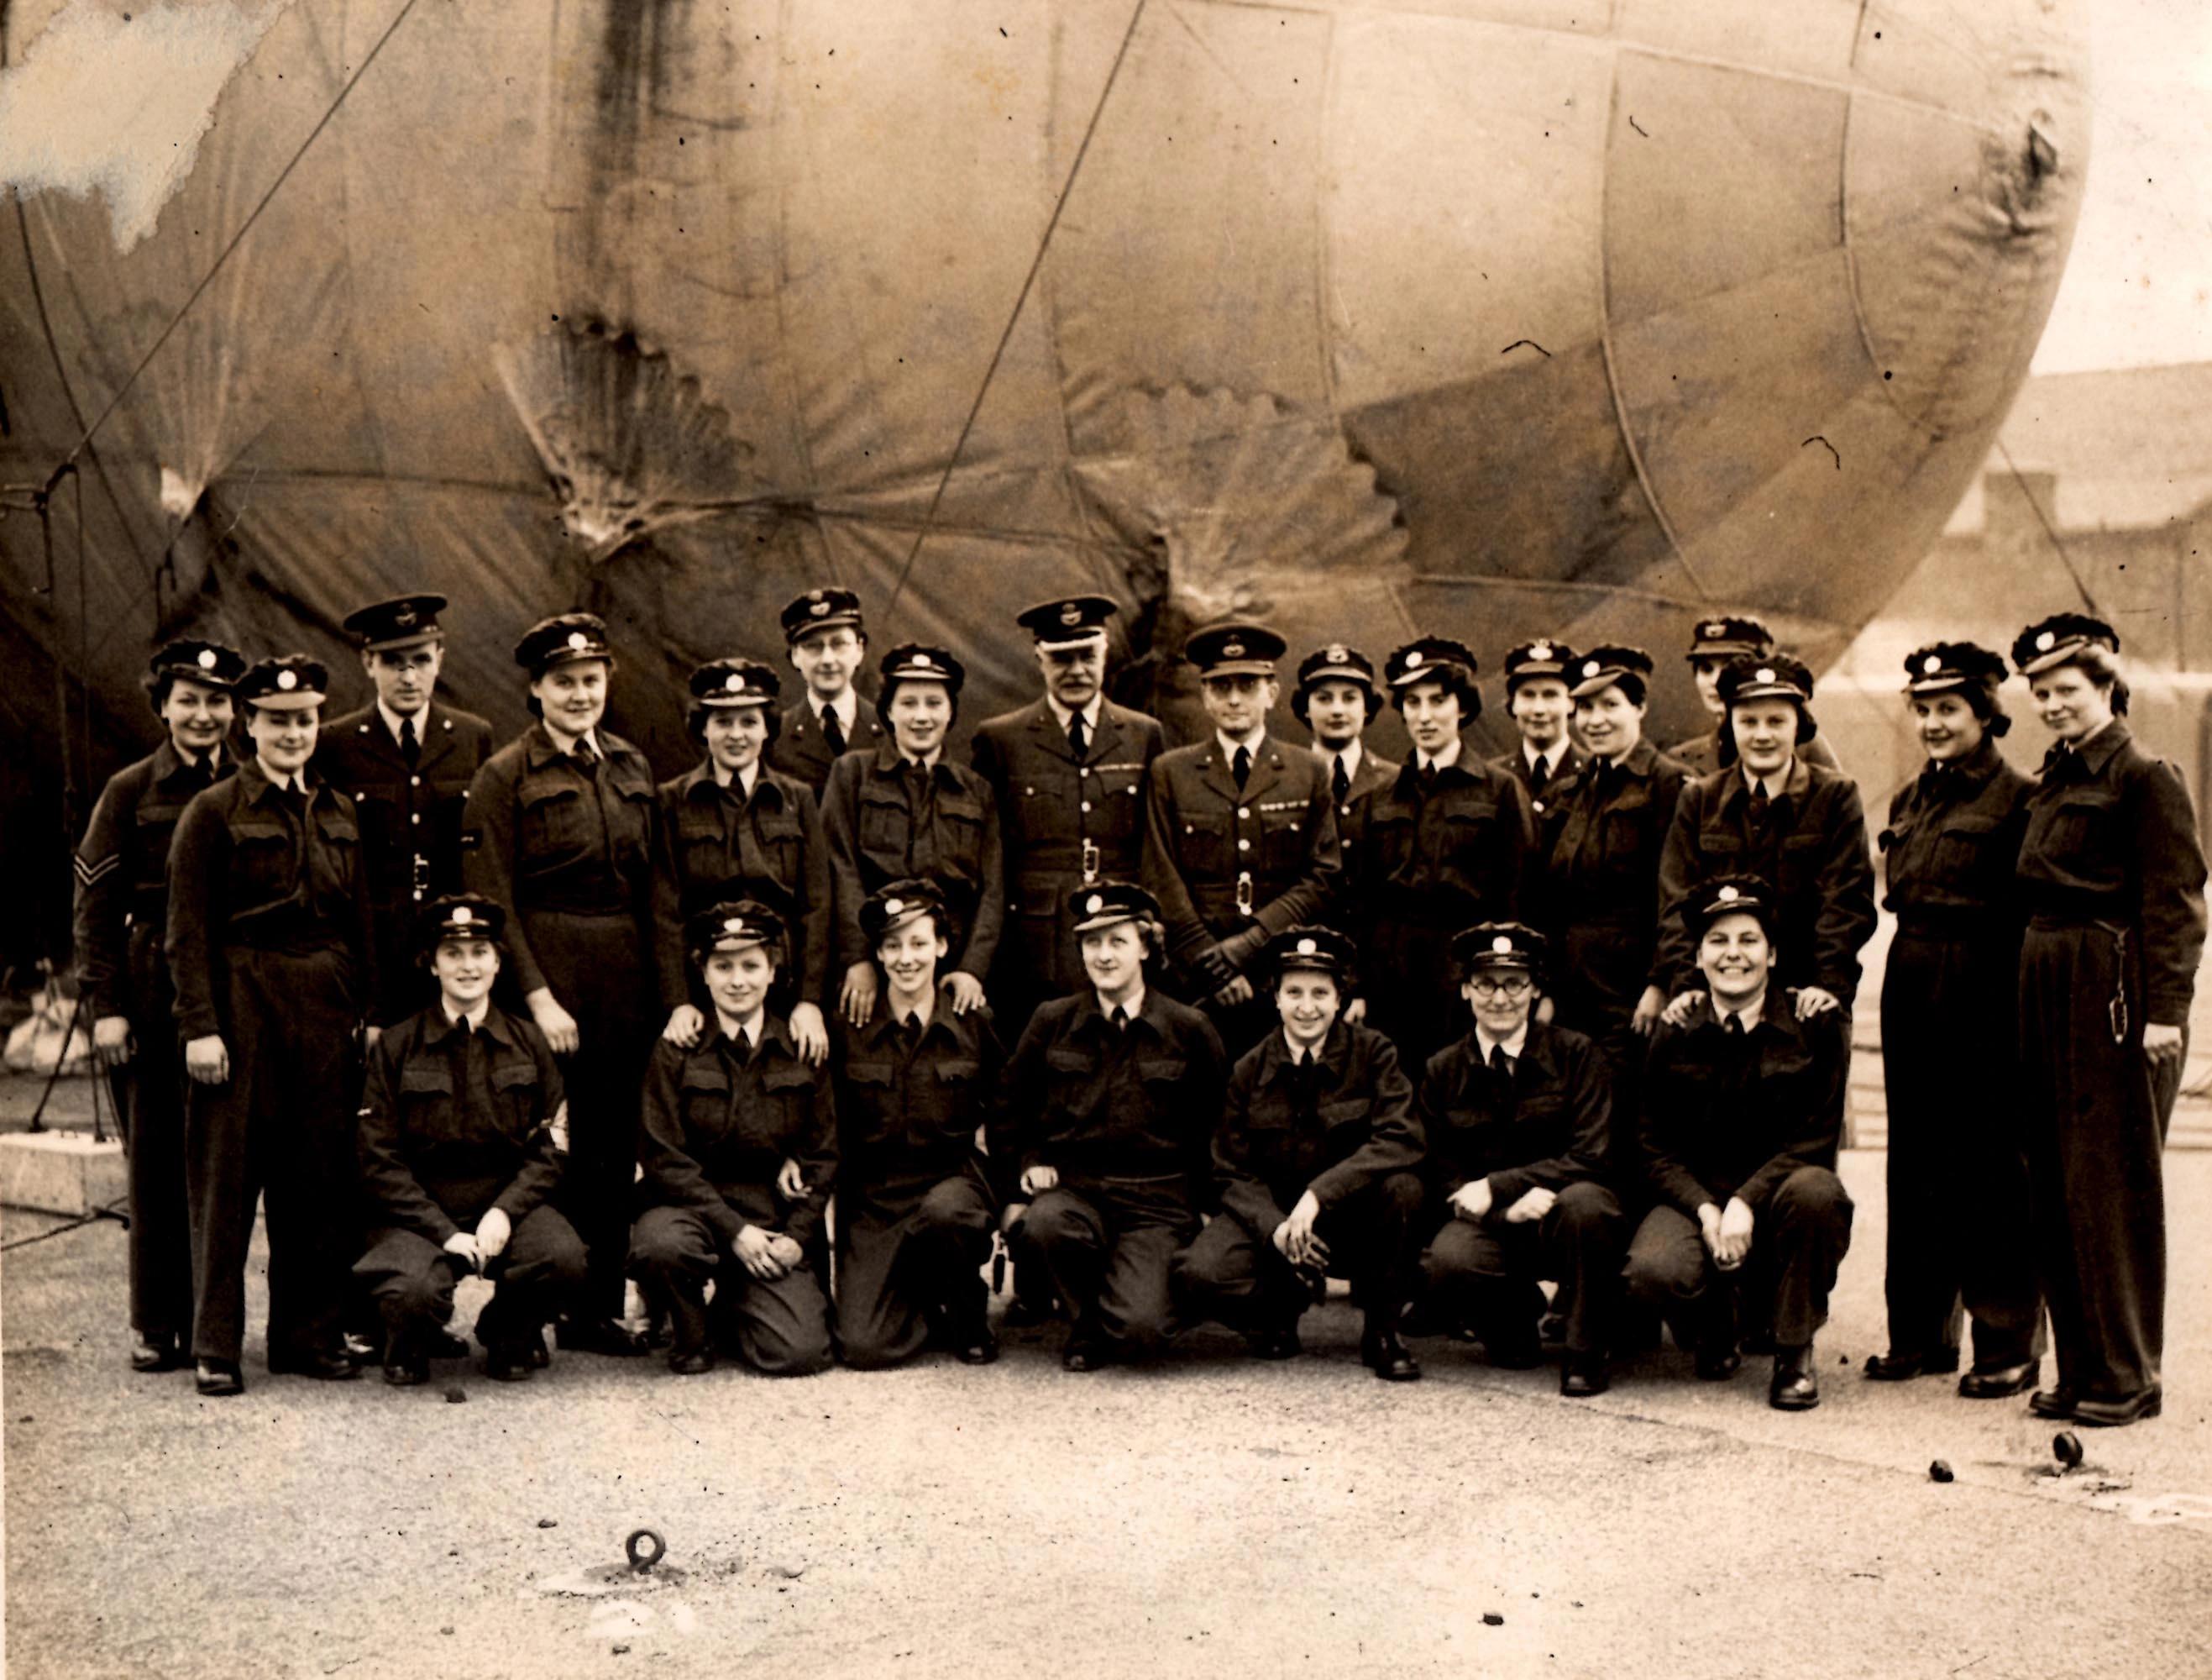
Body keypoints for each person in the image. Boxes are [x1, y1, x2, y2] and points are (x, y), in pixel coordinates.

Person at [2010, 614, 2206, 1427]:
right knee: (2054, 1179)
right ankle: (2078, 1363)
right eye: (2043, 694)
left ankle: (2128, 1372)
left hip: (2108, 981)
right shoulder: (2055, 774)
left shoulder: (2144, 774)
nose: (2054, 705)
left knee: (2110, 1185)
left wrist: (2166, 1015)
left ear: (2105, 690)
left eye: (2068, 691)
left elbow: (2177, 906)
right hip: (2046, 972)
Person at [167, 655, 377, 1395]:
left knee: (316, 1178)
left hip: (324, 1004)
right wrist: (200, 1024)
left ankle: (305, 1335)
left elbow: (361, 925)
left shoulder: (339, 811)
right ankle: (216, 1345)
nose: (293, 733)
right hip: (242, 999)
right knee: (228, 1180)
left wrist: (369, 1017)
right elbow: (185, 930)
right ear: (248, 726)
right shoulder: (213, 811)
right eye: (278, 721)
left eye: (306, 720)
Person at [463, 612, 657, 1358]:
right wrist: (538, 996)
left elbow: (653, 892)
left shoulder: (632, 767)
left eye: (591, 680)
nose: (580, 694)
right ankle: (528, 1311)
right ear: (537, 689)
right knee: (550, 1147)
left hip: (624, 977)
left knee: (611, 1148)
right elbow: (493, 899)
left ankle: (596, 1309)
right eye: (564, 682)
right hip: (548, 969)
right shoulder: (506, 775)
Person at [1868, 642, 2043, 1398]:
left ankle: (2006, 1340)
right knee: (1914, 1161)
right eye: (1925, 710)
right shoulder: (1911, 800)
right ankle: (1920, 1333)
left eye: (1950, 709)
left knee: (1989, 1166)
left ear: (1986, 714)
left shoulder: (2019, 798)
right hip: (1910, 976)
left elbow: (2026, 910)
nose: (1935, 723)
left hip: (1982, 981)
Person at [73, 638, 244, 1373]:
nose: (203, 716)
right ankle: (156, 1322)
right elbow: (94, 908)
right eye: (188, 701)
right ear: (162, 707)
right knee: (155, 1161)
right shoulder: (130, 790)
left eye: (216, 702)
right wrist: (106, 1007)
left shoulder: (253, 782)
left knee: (219, 1161)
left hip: (230, 984)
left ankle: (215, 1326)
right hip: (150, 989)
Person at [1626, 876, 1853, 1410]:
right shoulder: (1675, 1028)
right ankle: (1714, 1327)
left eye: (1749, 941)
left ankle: (1794, 1350)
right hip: (1699, 1198)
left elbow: (1816, 1137)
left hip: (1777, 1198)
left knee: (1818, 1196)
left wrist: (1745, 1204)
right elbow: (1653, 1145)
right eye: (1719, 942)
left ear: (1773, 955)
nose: (1734, 955)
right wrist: (1706, 1209)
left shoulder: (1812, 1025)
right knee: (1650, 1269)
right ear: (1700, 957)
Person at [1172, 926, 1425, 1379]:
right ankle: (1277, 1310)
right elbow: (1228, 1170)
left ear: (1339, 998)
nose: (1307, 1007)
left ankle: (1383, 1331)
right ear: (1275, 997)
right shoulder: (1249, 1068)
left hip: (1349, 1217)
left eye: (1319, 993)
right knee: (1200, 1274)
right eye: (1294, 992)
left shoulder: (1374, 1053)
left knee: (1403, 1190)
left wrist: (1319, 1196)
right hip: (1277, 1222)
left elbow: (1400, 1137)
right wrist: (1275, 1227)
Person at [354, 895, 588, 1385]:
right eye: (453, 954)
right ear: (432, 965)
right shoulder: (397, 1046)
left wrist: (505, 1211)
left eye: (480, 952)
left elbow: (553, 1147)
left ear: (499, 962)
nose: (468, 966)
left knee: (562, 1259)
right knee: (413, 1290)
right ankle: (406, 1340)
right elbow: (378, 1159)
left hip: (503, 1198)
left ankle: (509, 1332)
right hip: (419, 1208)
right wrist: (443, 1231)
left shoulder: (530, 1042)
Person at [1002, 881, 1229, 1370]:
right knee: (1040, 1224)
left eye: (1117, 941)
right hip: (1076, 1193)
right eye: (1091, 943)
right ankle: (1085, 1325)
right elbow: (1011, 1108)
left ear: (1145, 947)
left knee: (1141, 1331)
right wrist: (1028, 1164)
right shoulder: (1052, 1021)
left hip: (1157, 1204)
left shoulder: (1189, 1028)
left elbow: (1217, 1125)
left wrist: (1208, 1206)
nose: (1103, 956)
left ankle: (1136, 1298)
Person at [1413, 923, 1624, 1396]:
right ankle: (1511, 1320)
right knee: (1448, 1258)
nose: (1501, 998)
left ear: (1535, 989)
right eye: (1486, 983)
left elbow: (1593, 1153)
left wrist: (1503, 1185)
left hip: (1561, 1215)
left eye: (1515, 984)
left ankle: (1585, 1349)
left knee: (1589, 1206)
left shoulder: (1577, 1054)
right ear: (1466, 989)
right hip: (1494, 1224)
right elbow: (1438, 1167)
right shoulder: (1443, 1069)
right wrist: (1505, 1208)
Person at [630, 900, 837, 1376]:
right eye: (723, 966)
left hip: (769, 1216)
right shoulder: (677, 1048)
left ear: (772, 971)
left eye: (750, 965)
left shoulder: (801, 1048)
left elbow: (824, 1154)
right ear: (702, 972)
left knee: (799, 1354)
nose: (737, 980)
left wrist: (798, 1239)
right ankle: (689, 1329)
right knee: (659, 1245)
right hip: (693, 1210)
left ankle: (733, 1306)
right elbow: (662, 1157)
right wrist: (734, 1231)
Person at [971, 594, 1166, 1040]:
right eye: (1061, 658)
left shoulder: (1143, 735)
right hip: (1035, 939)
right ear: (1039, 659)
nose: (1075, 670)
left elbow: (1155, 844)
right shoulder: (1002, 739)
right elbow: (991, 851)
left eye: (1086, 656)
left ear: (1105, 654)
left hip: (1121, 929)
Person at [1142, 623, 1342, 1053]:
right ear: (1205, 695)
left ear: (1271, 692)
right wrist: (1211, 963)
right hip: (1197, 979)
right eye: (1221, 686)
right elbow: (1162, 875)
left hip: (1281, 974)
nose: (1234, 699)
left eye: (1247, 685)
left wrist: (1248, 947)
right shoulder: (1171, 772)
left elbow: (1323, 876)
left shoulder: (1307, 771)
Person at [831, 880, 1004, 1368]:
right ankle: (925, 1305)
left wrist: (1010, 1196)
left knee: (948, 1215)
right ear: (878, 955)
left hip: (951, 1181)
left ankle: (967, 1310)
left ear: (943, 947)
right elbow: (830, 1126)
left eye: (919, 943)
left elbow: (1007, 1112)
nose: (906, 958)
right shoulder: (849, 1026)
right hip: (878, 1197)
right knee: (864, 1347)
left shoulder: (972, 1019)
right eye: (892, 946)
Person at [1652, 653, 1876, 1026]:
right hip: (1716, 999)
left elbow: (1847, 899)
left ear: (1799, 726)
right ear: (1730, 725)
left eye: (1776, 721)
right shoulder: (1699, 799)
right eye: (1748, 721)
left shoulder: (1835, 796)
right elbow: (1677, 901)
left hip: (1805, 1000)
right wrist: (1687, 984)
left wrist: (1828, 986)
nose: (1762, 735)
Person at [1534, 646, 1690, 1170]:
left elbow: (1676, 893)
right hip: (1575, 985)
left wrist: (1662, 981)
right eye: (1585, 710)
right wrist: (1548, 986)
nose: (1595, 721)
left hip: (1630, 988)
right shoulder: (1572, 790)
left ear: (1640, 708)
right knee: (1571, 1116)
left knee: (1626, 1120)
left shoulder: (1669, 785)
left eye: (1611, 706)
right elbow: (1552, 901)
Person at [1353, 638, 1533, 1069]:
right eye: (1412, 702)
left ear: (1463, 707)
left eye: (1438, 700)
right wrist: (1359, 985)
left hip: (1465, 970)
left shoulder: (1499, 789)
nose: (1425, 715)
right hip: (1391, 973)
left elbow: (1518, 890)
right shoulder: (1378, 797)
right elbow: (1362, 899)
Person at [317, 592, 494, 1026]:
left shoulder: (473, 737)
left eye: (421, 659)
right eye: (394, 661)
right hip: (372, 943)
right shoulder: (334, 744)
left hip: (452, 942)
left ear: (440, 660)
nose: (409, 675)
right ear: (368, 664)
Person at [653, 658, 831, 1064]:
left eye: (748, 722)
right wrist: (678, 1002)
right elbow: (664, 910)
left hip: (780, 981)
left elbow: (817, 905)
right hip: (707, 985)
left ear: (767, 728)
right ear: (703, 729)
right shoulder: (673, 800)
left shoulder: (796, 798)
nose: (736, 735)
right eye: (723, 723)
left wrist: (809, 1000)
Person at [822, 643, 1004, 1029]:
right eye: (908, 703)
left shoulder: (975, 791)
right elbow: (839, 868)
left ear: (951, 711)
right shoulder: (852, 774)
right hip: (875, 967)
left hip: (949, 971)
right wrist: (858, 959)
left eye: (934, 703)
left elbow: (992, 890)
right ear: (888, 710)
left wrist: (973, 969)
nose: (922, 716)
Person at [1668, 616, 1842, 777]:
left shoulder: (1804, 748)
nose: (1715, 681)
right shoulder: (1682, 759)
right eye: (1706, 670)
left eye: (1730, 667)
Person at [1291, 643, 1397, 898]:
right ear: (1305, 707)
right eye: (1324, 698)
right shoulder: (1288, 779)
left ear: (1367, 707)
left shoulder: (1396, 781)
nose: (1337, 710)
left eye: (1350, 698)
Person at [768, 586, 883, 796]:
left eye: (839, 644)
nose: (828, 659)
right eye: (814, 646)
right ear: (795, 656)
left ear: (859, 649)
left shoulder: (889, 730)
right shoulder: (775, 737)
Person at [1489, 639, 1587, 818]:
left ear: (1572, 703)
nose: (1538, 710)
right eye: (1528, 695)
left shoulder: (1595, 774)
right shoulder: (1490, 779)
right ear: (1513, 705)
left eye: (1550, 695)